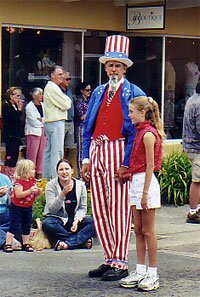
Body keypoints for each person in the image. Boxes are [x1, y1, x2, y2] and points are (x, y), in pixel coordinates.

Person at [81, 35, 146, 281]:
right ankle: (109, 257)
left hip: (119, 151)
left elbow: (139, 132)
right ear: (105, 66)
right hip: (98, 151)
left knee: (119, 208)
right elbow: (87, 127)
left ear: (125, 67)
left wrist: (126, 163)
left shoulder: (134, 92)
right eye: (110, 64)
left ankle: (121, 261)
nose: (113, 68)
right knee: (100, 207)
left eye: (118, 65)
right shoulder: (98, 91)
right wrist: (86, 160)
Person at [119, 96, 164, 291]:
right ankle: (139, 269)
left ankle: (152, 272)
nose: (129, 115)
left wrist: (145, 193)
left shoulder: (148, 134)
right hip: (135, 182)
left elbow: (150, 165)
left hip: (146, 184)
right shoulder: (138, 132)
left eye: (131, 112)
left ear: (142, 112)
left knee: (148, 230)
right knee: (137, 229)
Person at [42, 159, 96, 250]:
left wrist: (77, 221)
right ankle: (79, 242)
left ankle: (67, 243)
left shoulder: (80, 185)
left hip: (74, 220)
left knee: (94, 222)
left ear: (72, 171)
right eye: (61, 170)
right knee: (47, 223)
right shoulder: (51, 185)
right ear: (57, 172)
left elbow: (82, 208)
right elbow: (51, 209)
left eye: (67, 169)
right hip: (58, 220)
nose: (64, 172)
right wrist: (62, 194)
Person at [3, 159, 42, 253]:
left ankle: (26, 243)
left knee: (26, 225)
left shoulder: (32, 181)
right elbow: (19, 194)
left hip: (27, 207)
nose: (34, 171)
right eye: (32, 169)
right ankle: (8, 243)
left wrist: (37, 193)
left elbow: (34, 196)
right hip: (17, 207)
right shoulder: (19, 183)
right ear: (25, 171)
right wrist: (30, 191)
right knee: (14, 225)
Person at [42, 65, 71, 180]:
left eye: (62, 74)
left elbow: (66, 103)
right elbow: (67, 104)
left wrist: (66, 101)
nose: (62, 76)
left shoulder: (53, 87)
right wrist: (66, 101)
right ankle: (55, 178)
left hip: (53, 122)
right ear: (52, 76)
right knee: (57, 151)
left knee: (50, 151)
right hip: (55, 122)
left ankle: (47, 178)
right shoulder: (52, 87)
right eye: (59, 74)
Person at [182, 81, 200, 224]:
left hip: (190, 145)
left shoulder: (192, 99)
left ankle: (196, 209)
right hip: (197, 147)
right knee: (197, 181)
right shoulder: (199, 103)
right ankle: (193, 212)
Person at [25, 88, 47, 180]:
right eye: (40, 94)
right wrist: (42, 120)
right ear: (34, 96)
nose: (42, 96)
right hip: (33, 133)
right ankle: (30, 174)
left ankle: (39, 174)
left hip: (43, 132)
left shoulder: (43, 105)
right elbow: (34, 122)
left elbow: (47, 118)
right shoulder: (29, 107)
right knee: (32, 154)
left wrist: (41, 120)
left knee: (42, 154)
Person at [2, 87, 24, 169]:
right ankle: (8, 170)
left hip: (16, 134)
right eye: (17, 96)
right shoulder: (7, 106)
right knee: (10, 155)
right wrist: (19, 110)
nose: (19, 98)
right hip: (10, 135)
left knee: (15, 155)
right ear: (11, 96)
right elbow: (13, 119)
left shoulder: (13, 105)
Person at [0, 171, 21, 250]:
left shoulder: (5, 178)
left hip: (4, 214)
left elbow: (10, 204)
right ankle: (8, 241)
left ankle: (2, 235)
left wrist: (12, 197)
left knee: (19, 220)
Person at [75, 81, 91, 176]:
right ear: (82, 91)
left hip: (89, 127)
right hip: (82, 127)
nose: (89, 92)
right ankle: (80, 173)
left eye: (90, 90)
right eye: (87, 90)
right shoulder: (79, 102)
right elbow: (82, 116)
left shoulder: (90, 101)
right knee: (81, 150)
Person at [59, 71, 76, 157]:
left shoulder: (69, 90)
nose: (69, 81)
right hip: (62, 121)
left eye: (70, 79)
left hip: (70, 121)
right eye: (67, 79)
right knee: (59, 145)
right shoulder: (57, 90)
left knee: (69, 146)